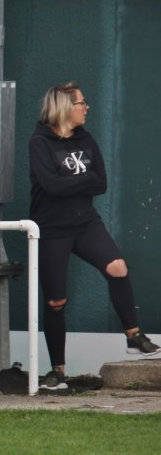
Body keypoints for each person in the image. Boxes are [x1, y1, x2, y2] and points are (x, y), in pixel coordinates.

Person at [29, 82, 161, 390]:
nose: (86, 107)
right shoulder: (40, 143)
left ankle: (133, 335)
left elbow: (100, 183)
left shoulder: (85, 139)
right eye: (82, 103)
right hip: (51, 228)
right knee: (56, 301)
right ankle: (58, 371)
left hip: (85, 222)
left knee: (118, 267)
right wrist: (83, 179)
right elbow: (51, 186)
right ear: (65, 107)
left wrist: (73, 181)